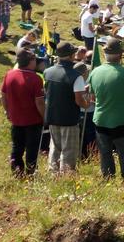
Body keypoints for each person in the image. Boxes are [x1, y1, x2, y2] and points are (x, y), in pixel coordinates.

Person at [87, 38, 124, 179]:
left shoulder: (94, 72)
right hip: (122, 119)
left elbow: (92, 98)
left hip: (101, 119)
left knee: (105, 153)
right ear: (120, 55)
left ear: (105, 54)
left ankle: (107, 178)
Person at [43, 42, 88, 173]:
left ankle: (53, 173)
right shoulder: (76, 76)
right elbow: (79, 100)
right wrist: (87, 104)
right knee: (69, 149)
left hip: (52, 116)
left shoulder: (47, 72)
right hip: (69, 118)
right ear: (71, 55)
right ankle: (66, 176)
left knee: (55, 147)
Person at [1, 48, 45, 176]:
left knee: (17, 147)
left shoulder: (9, 74)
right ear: (30, 61)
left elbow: (3, 96)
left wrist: (8, 111)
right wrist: (45, 117)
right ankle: (31, 173)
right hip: (33, 120)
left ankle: (17, 172)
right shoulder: (35, 79)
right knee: (32, 149)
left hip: (16, 119)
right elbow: (40, 102)